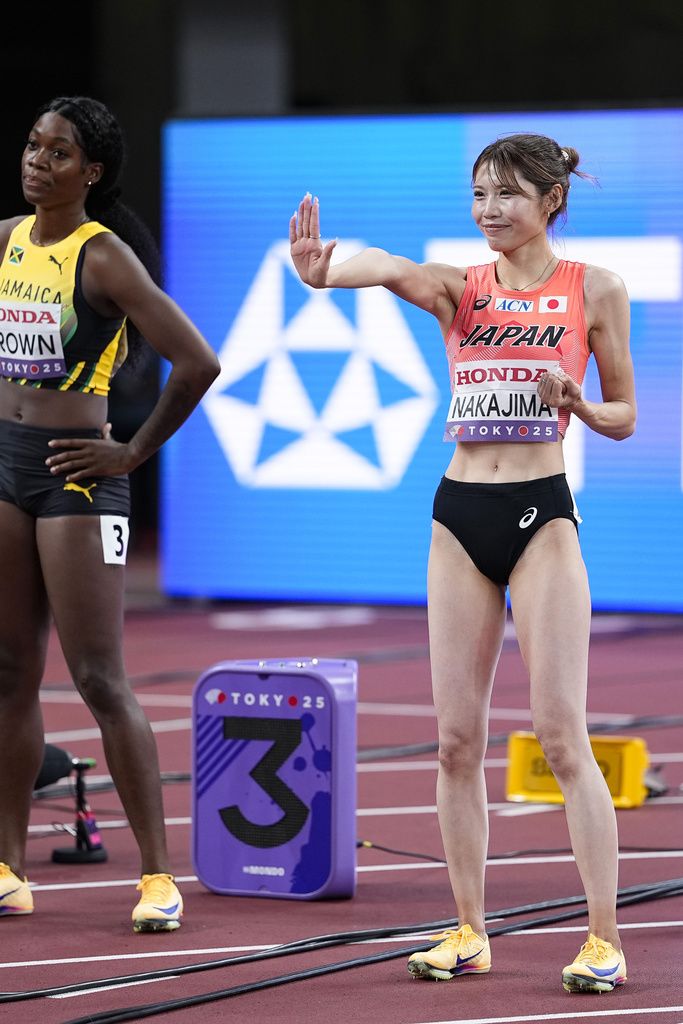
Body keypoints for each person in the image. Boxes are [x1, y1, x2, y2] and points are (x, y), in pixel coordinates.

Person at [289, 133, 635, 993]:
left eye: (507, 195)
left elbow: (626, 411)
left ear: (551, 201)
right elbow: (391, 268)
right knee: (453, 742)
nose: (487, 210)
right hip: (457, 515)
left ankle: (602, 939)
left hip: (539, 518)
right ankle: (469, 929)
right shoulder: (461, 287)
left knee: (561, 736)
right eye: (478, 193)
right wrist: (324, 266)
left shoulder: (593, 288)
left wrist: (580, 406)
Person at [0, 96, 219, 931]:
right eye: (31, 145)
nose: (36, 161)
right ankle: (9, 866)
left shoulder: (105, 260)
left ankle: (158, 876)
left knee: (98, 677)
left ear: (89, 172)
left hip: (78, 478)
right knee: (10, 674)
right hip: (4, 471)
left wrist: (131, 451)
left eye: (57, 153)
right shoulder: (6, 241)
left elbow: (197, 362)